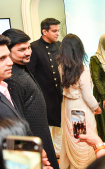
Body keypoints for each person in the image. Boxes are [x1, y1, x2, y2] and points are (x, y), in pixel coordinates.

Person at [2, 29, 59, 169]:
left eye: (28, 48)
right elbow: (18, 120)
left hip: (39, 138)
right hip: (33, 142)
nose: (28, 52)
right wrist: (33, 148)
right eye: (22, 50)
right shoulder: (12, 79)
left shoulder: (20, 69)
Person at [57, 33, 101, 169]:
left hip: (68, 106)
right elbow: (87, 96)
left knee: (74, 135)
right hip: (81, 107)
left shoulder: (61, 67)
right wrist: (96, 108)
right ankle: (84, 164)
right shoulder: (83, 70)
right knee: (84, 136)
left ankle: (74, 163)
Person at [27, 18, 63, 157]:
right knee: (44, 129)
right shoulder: (34, 47)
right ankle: (46, 155)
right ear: (44, 31)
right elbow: (30, 74)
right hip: (42, 96)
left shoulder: (60, 45)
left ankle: (59, 153)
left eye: (58, 31)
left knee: (59, 128)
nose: (57, 34)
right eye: (54, 31)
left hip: (59, 95)